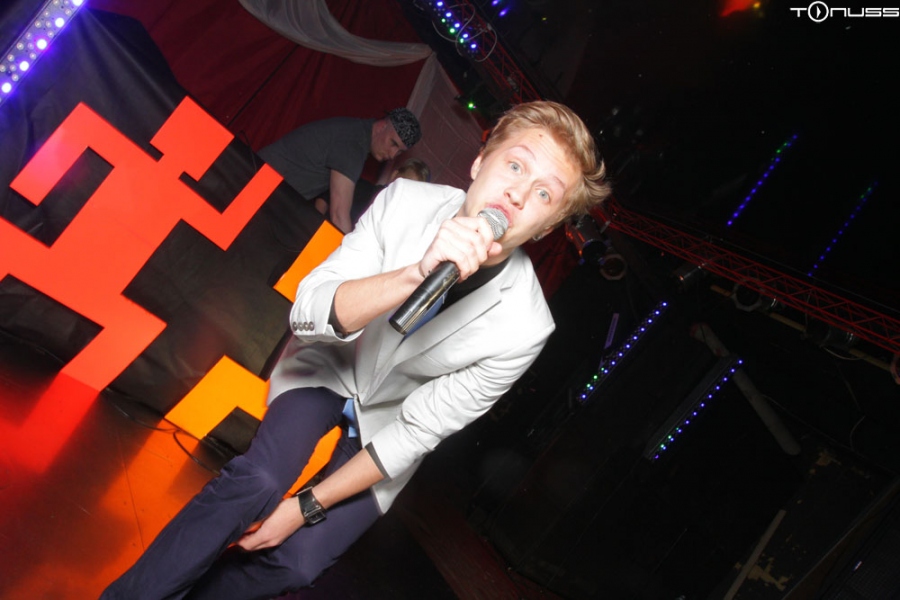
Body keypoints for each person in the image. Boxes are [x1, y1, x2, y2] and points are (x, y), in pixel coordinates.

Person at [101, 100, 611, 600]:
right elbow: (308, 309)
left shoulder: (525, 327)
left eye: (544, 193)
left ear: (547, 227)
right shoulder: (404, 201)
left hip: (392, 422)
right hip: (333, 363)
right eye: (515, 165)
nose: (518, 194)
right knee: (258, 480)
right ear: (480, 163)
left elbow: (417, 432)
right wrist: (415, 273)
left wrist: (304, 508)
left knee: (298, 562)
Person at [258, 108, 422, 233]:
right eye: (393, 143)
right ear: (381, 126)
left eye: (399, 152)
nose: (393, 155)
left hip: (266, 187)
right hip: (260, 185)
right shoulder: (353, 143)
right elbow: (339, 214)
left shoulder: (355, 133)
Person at [350, 157, 432, 224]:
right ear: (394, 175)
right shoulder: (358, 189)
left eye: (412, 192)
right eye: (404, 184)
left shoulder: (401, 226)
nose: (405, 193)